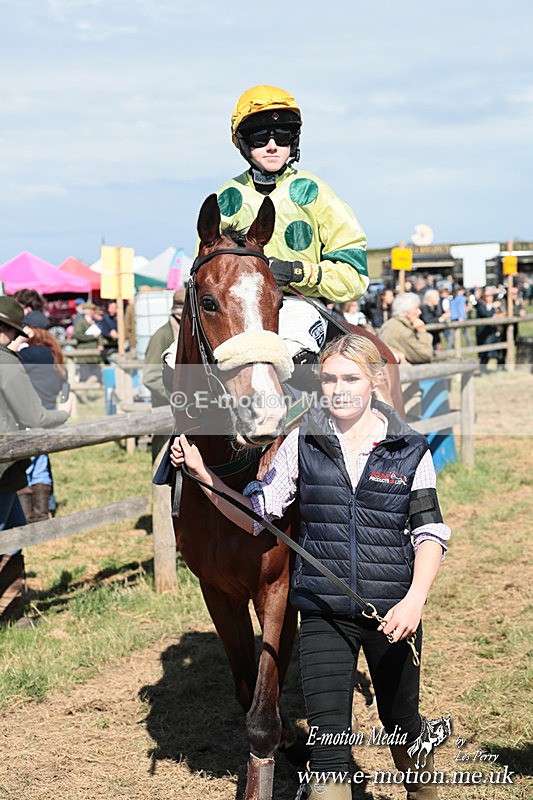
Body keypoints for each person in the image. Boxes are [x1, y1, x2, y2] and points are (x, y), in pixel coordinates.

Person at [170, 334, 450, 800]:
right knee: (328, 749)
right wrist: (206, 478)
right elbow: (259, 517)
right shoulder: (302, 441)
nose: (339, 388)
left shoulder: (409, 449)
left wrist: (413, 602)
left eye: (351, 378)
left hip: (392, 614)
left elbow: (429, 535)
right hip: (323, 613)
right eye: (329, 379)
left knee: (400, 722)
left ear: (375, 382)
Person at [215, 85, 369, 372]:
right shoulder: (225, 197)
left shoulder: (316, 192)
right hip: (235, 312)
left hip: (299, 307)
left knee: (293, 358)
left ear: (293, 141)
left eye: (282, 135)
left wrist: (297, 272)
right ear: (243, 143)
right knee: (175, 363)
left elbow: (355, 279)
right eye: (260, 137)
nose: (272, 145)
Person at [0, 296, 72, 626]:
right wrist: (65, 414)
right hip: (3, 465)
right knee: (7, 534)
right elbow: (36, 416)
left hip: (9, 466)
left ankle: (12, 612)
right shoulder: (7, 361)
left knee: (16, 530)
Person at [16, 326, 68, 522]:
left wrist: (19, 342)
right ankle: (41, 514)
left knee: (25, 467)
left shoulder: (28, 354)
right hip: (48, 417)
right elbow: (65, 386)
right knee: (40, 467)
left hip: (28, 416)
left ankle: (26, 516)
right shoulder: (53, 355)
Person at [143, 289, 186, 460]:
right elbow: (150, 377)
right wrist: (178, 396)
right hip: (166, 413)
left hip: (185, 415)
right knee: (164, 462)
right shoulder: (162, 335)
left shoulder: (185, 331)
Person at [378, 293, 434, 365]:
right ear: (407, 313)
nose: (420, 312)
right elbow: (426, 355)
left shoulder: (388, 324)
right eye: (416, 308)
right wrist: (422, 332)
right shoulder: (404, 332)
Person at [73, 302, 105, 383]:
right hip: (84, 355)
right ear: (88, 311)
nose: (94, 312)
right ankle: (82, 394)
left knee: (98, 375)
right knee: (84, 377)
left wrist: (100, 344)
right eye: (92, 310)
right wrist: (92, 336)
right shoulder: (81, 322)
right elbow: (78, 335)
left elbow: (99, 335)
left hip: (93, 356)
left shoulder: (93, 322)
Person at [475, 287, 505, 369]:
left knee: (499, 350)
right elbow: (487, 314)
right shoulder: (480, 304)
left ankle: (500, 368)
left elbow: (501, 313)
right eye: (487, 296)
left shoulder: (495, 304)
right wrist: (492, 306)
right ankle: (482, 370)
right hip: (484, 333)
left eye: (491, 295)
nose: (489, 297)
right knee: (485, 353)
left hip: (493, 332)